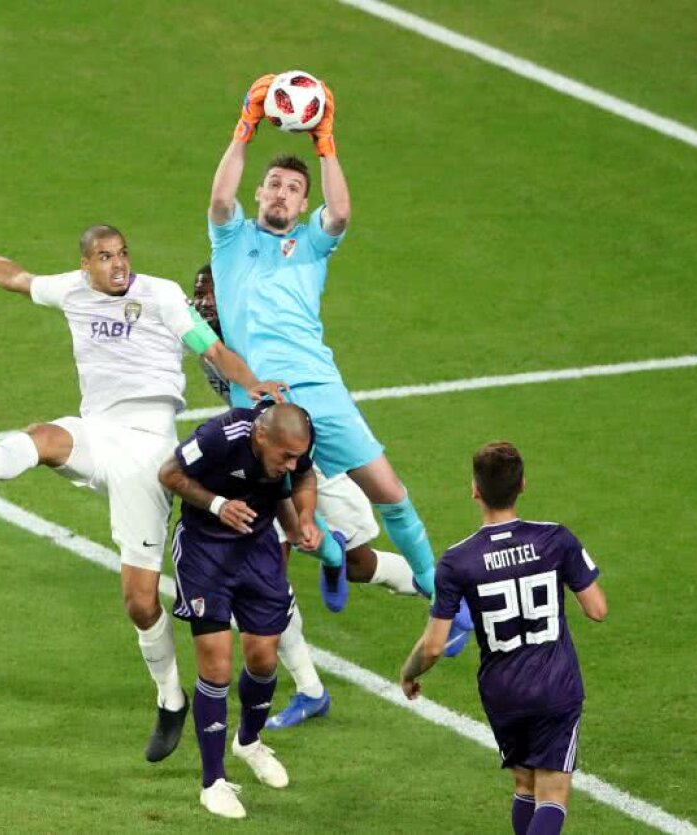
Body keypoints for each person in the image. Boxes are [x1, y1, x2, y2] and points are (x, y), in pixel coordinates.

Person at [0, 215, 286, 763]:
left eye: (123, 253)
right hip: (98, 430)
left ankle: (170, 701)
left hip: (146, 448)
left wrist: (249, 382)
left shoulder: (161, 295)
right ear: (85, 263)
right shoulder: (70, 290)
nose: (119, 264)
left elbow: (210, 348)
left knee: (138, 603)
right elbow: (14, 278)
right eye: (106, 257)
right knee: (43, 437)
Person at [206, 75, 472, 644]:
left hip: (319, 386)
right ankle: (330, 552)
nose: (279, 192)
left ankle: (437, 597)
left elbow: (343, 213)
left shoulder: (311, 245)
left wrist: (325, 142)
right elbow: (220, 199)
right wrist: (245, 127)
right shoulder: (231, 241)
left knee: (390, 490)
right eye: (272, 184)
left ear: (303, 205)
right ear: (260, 194)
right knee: (278, 510)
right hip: (259, 397)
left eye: (292, 189)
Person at [192, 264, 466, 730]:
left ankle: (448, 602)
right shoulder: (205, 341)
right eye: (199, 296)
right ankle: (309, 689)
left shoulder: (260, 327)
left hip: (314, 452)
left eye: (211, 295)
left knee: (358, 565)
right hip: (270, 464)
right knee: (267, 575)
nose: (204, 304)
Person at [400, 442, 607, 835]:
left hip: (502, 691)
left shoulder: (457, 560)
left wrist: (407, 673)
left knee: (525, 785)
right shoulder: (556, 539)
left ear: (475, 490)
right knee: (553, 793)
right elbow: (597, 609)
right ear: (523, 485)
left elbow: (432, 646)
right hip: (555, 686)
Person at [157, 402, 319, 819]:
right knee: (216, 666)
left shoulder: (297, 443)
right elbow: (169, 473)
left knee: (264, 658)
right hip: (204, 551)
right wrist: (217, 505)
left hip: (258, 547)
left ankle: (249, 741)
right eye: (284, 455)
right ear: (262, 437)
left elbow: (304, 478)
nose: (291, 463)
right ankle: (213, 782)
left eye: (296, 454)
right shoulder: (219, 436)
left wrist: (304, 518)